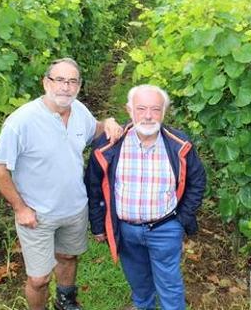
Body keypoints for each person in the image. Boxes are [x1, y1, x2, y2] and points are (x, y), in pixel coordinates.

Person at [0, 57, 123, 310]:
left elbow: (98, 129)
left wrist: (111, 122)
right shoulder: (21, 121)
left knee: (68, 256)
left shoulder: (79, 111)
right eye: (59, 80)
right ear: (45, 83)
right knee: (39, 279)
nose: (65, 87)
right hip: (37, 214)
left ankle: (65, 302)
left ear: (79, 86)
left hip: (74, 208)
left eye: (72, 81)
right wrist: (20, 208)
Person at [86, 84, 206, 310]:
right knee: (139, 284)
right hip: (126, 230)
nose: (148, 116)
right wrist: (98, 224)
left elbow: (197, 181)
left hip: (165, 228)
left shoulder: (179, 144)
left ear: (164, 112)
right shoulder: (109, 145)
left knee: (170, 286)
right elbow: (93, 187)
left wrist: (181, 219)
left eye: (155, 109)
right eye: (141, 109)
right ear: (129, 110)